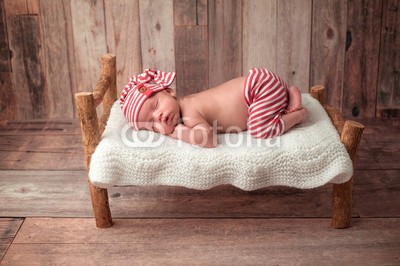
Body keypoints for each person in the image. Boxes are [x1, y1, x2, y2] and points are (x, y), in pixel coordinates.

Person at [120, 68, 308, 148]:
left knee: (259, 129)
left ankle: (298, 115)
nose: (158, 117)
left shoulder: (189, 112)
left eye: (156, 105)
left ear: (170, 92)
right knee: (262, 114)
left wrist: (174, 132)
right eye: (153, 124)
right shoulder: (188, 103)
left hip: (257, 88)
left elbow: (209, 140)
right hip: (264, 85)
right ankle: (289, 98)